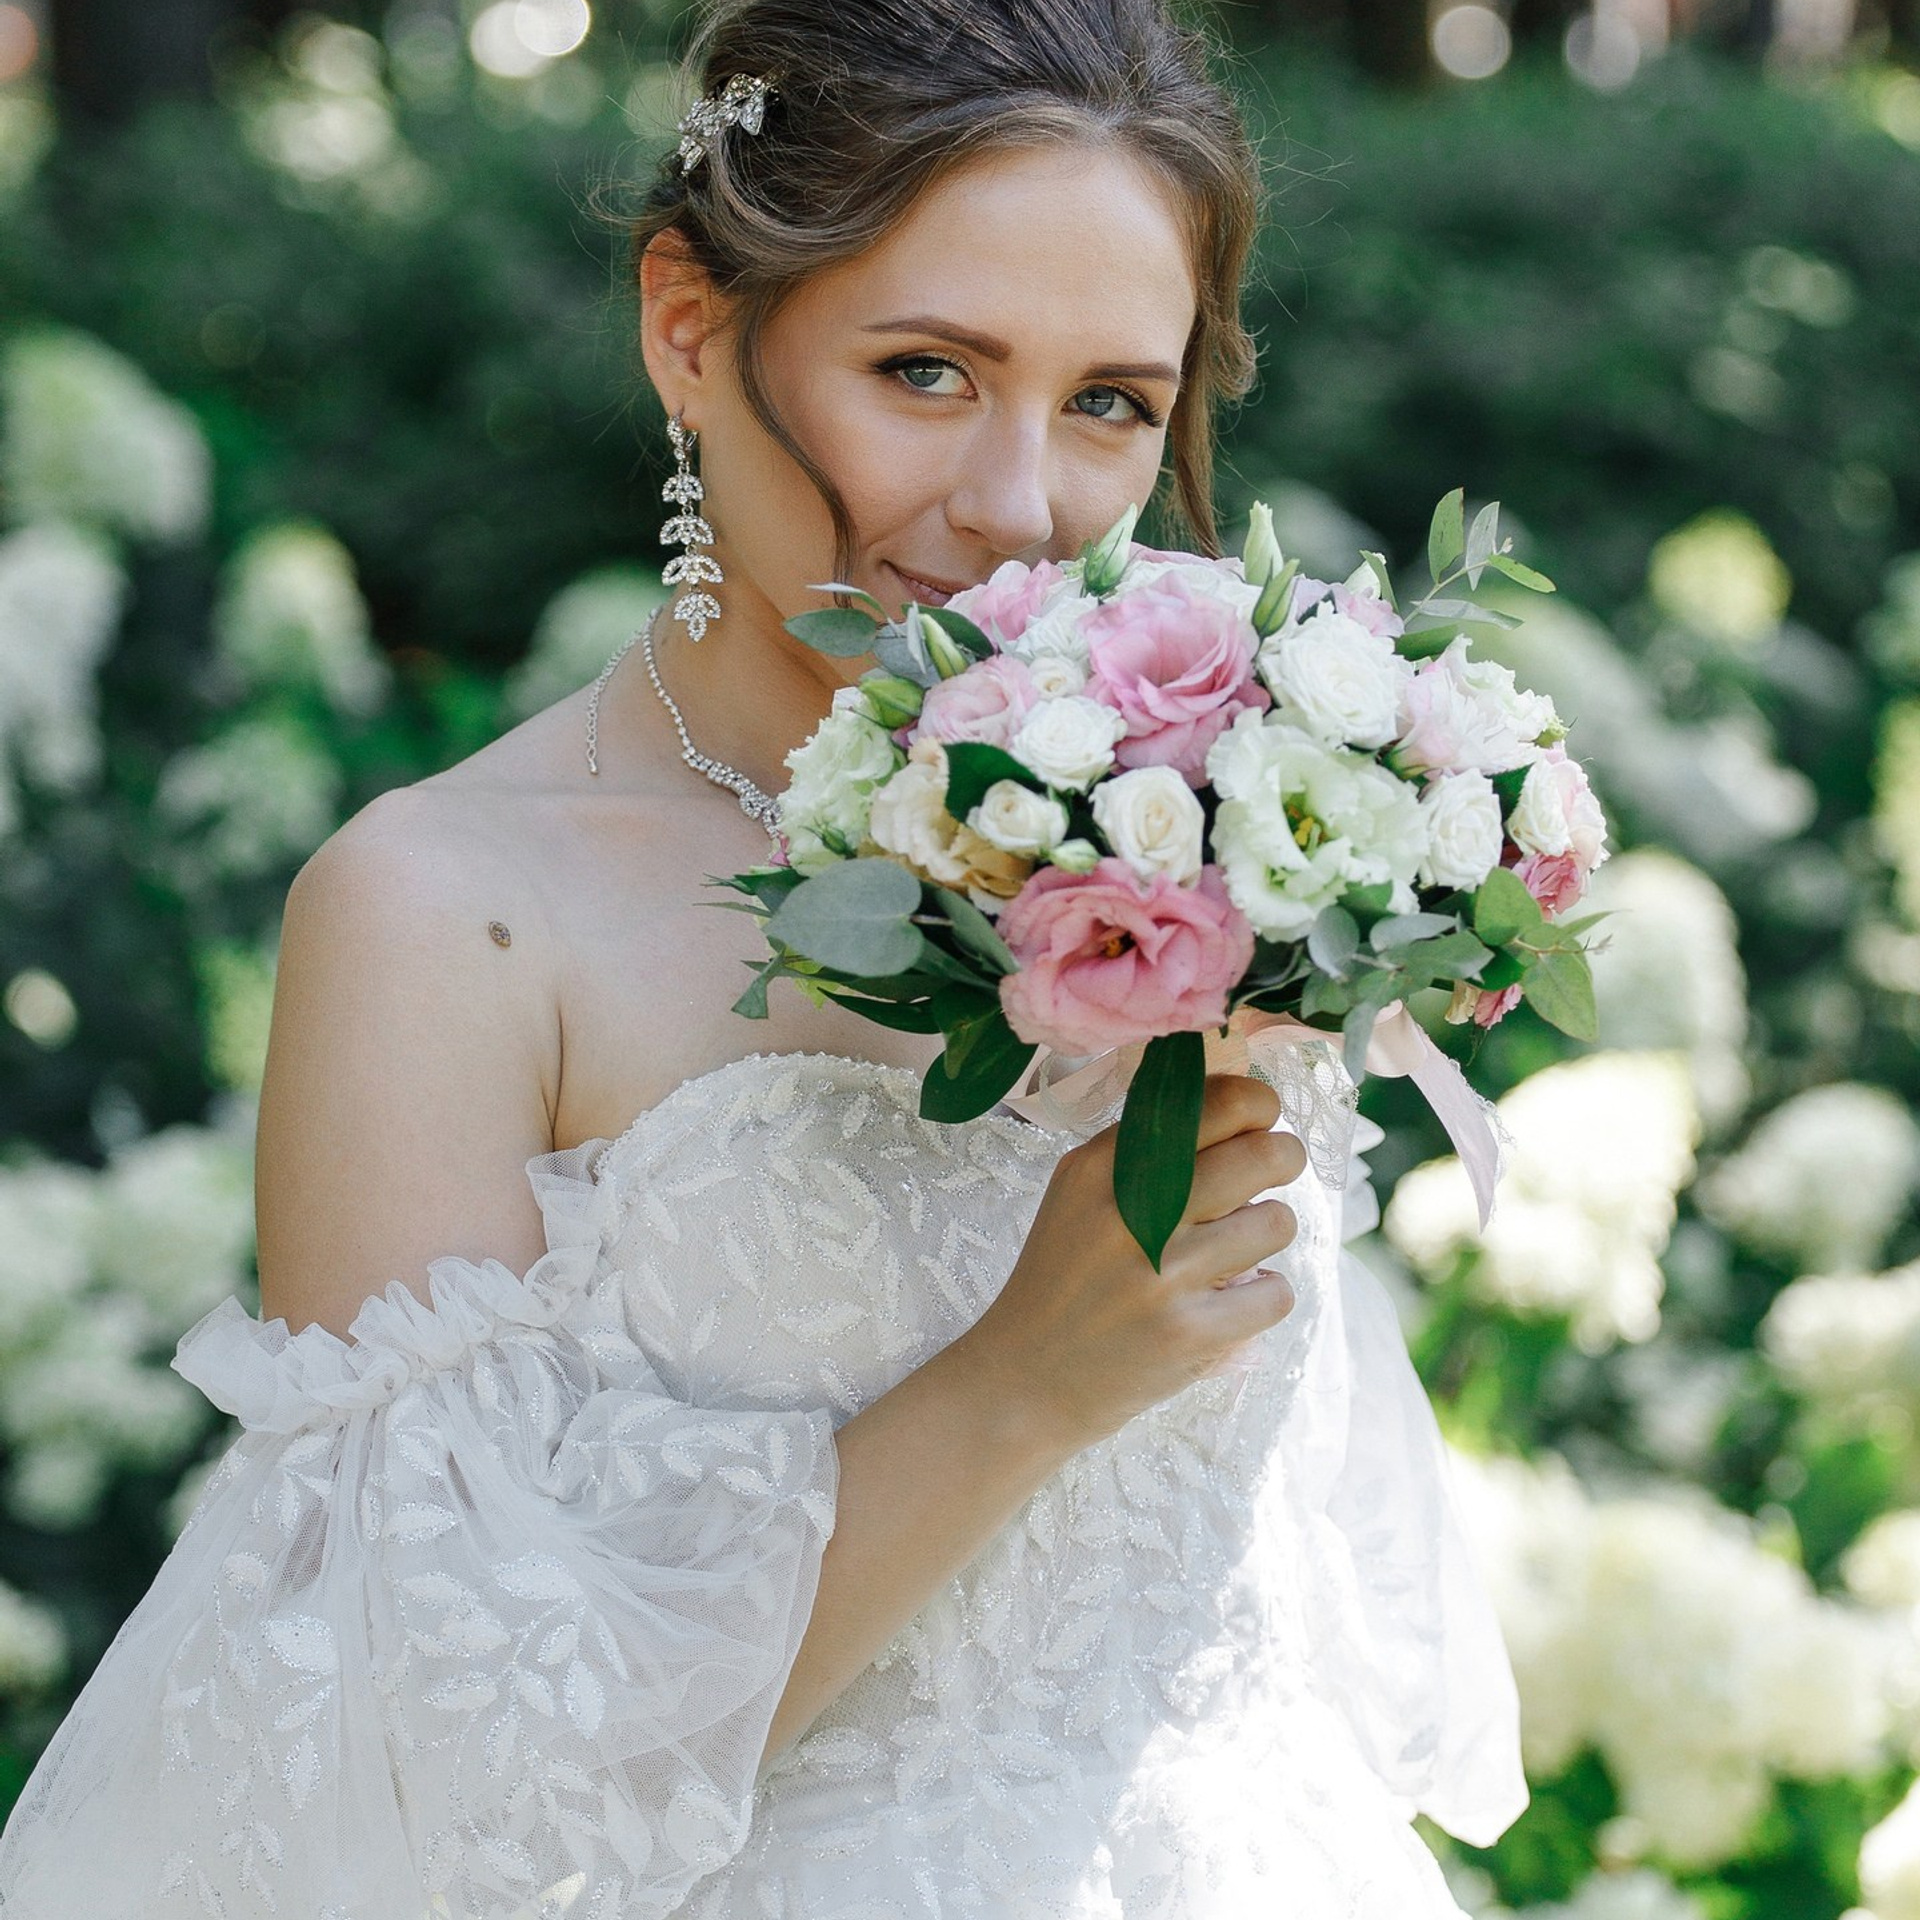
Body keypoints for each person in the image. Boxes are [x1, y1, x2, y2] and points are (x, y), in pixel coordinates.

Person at [0, 0, 1528, 1913]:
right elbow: (390, 1795)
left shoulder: (1209, 828)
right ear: (692, 330)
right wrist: (1017, 1389)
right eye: (926, 370)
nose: (1017, 507)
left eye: (1110, 405)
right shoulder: (447, 917)